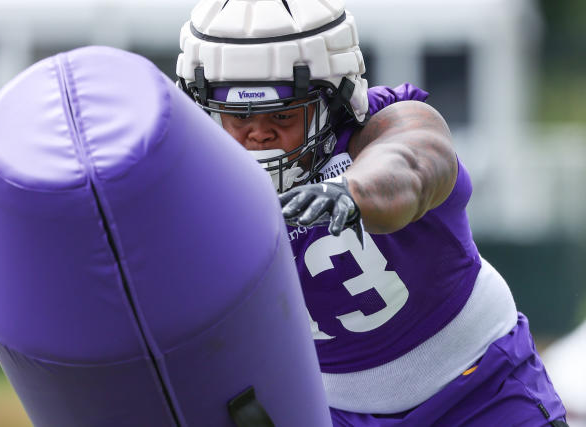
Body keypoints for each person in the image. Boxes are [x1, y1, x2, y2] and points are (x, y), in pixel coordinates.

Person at [176, 0, 567, 425]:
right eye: (236, 117)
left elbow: (410, 169)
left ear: (335, 97)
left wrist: (351, 190)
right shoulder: (199, 186)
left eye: (283, 113)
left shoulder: (387, 126)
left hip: (478, 390)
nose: (259, 134)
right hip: (342, 414)